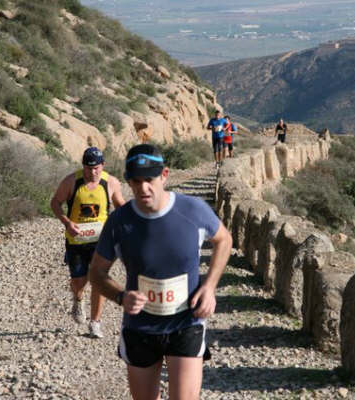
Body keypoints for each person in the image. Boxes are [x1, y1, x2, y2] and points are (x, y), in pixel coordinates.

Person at [89, 144, 232, 400]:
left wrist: (209, 287)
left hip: (186, 322)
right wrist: (121, 296)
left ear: (164, 175)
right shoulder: (120, 222)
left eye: (149, 179)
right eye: (135, 181)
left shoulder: (193, 210)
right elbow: (97, 273)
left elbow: (224, 240)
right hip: (140, 328)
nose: (143, 188)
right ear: (128, 182)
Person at [51, 147, 125, 338]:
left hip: (101, 242)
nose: (92, 173)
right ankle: (78, 298)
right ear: (83, 166)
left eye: (96, 168)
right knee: (79, 280)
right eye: (88, 168)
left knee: (99, 280)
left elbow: (122, 208)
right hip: (76, 240)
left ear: (103, 166)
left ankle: (95, 323)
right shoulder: (71, 181)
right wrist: (67, 223)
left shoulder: (111, 183)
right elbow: (55, 203)